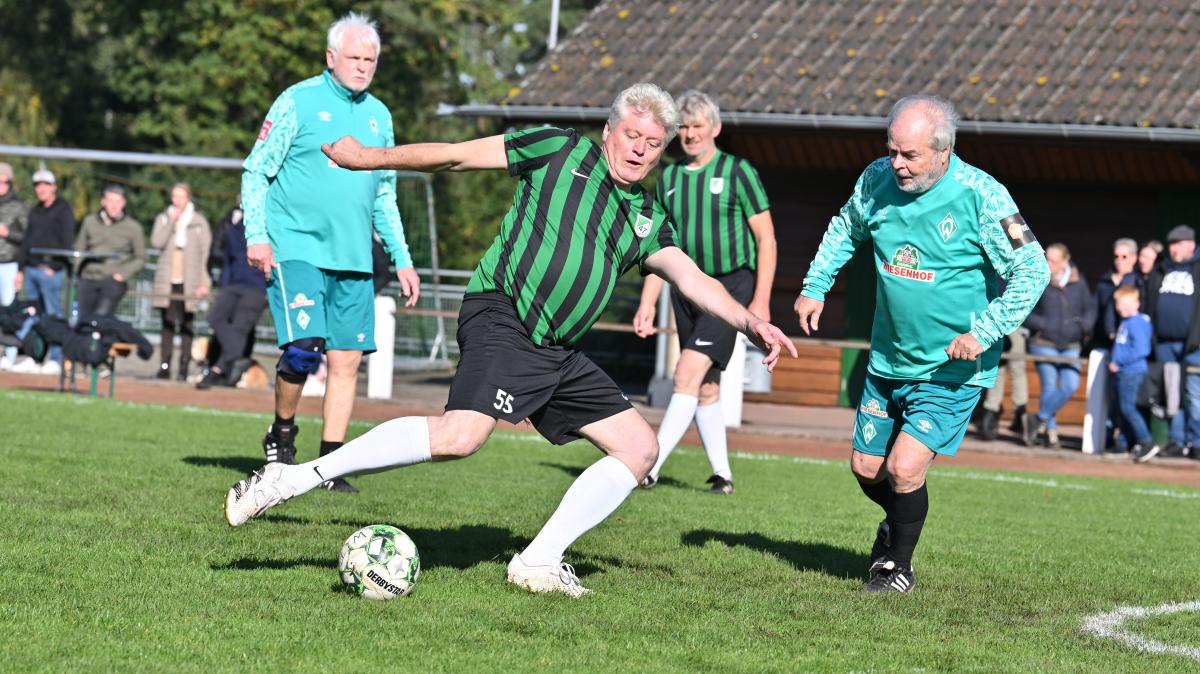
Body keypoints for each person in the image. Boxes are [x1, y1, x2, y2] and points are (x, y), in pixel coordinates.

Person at [224, 82, 797, 598]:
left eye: (654, 141)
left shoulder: (645, 215)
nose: (641, 148)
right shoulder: (556, 148)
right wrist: (367, 158)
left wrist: (752, 321)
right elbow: (454, 157)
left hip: (556, 350)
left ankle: (539, 560)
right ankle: (292, 478)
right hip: (503, 313)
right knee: (462, 436)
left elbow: (693, 279)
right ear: (609, 131)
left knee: (639, 450)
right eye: (632, 134)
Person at [794, 95, 1049, 593]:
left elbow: (1032, 269)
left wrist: (983, 331)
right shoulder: (876, 179)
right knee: (867, 469)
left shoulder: (982, 195)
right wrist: (814, 285)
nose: (898, 164)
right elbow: (846, 227)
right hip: (889, 358)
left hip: (950, 367)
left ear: (944, 152)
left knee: (904, 466)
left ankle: (896, 566)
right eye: (892, 151)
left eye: (909, 155)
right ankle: (897, 522)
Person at [239, 12, 420, 494]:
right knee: (304, 349)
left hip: (355, 257)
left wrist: (402, 258)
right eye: (355, 57)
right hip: (294, 247)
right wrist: (257, 235)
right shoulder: (297, 101)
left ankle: (329, 466)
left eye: (371, 59)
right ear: (331, 58)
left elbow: (385, 194)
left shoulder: (380, 116)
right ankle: (282, 432)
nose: (363, 66)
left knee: (345, 361)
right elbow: (255, 171)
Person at [631, 90, 776, 494]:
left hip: (729, 287)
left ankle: (649, 465)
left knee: (686, 372)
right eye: (685, 127)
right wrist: (647, 303)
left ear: (716, 128)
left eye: (698, 126)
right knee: (706, 384)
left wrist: (760, 301)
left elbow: (766, 239)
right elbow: (658, 247)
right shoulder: (671, 178)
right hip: (686, 288)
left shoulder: (738, 171)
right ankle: (723, 475)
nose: (691, 134)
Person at [1021, 243, 1096, 447]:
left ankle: (1038, 418)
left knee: (1070, 385)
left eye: (1053, 260)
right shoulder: (1039, 279)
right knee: (1048, 385)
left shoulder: (1078, 282)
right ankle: (1051, 433)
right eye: (1047, 258)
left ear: (1065, 262)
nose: (1048, 263)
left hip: (1071, 344)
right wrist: (1042, 325)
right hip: (1043, 341)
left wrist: (1084, 327)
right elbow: (1024, 308)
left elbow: (1090, 308)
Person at [1142, 224, 1200, 457]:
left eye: (1179, 244)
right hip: (1165, 343)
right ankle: (1175, 440)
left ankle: (1196, 442)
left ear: (1191, 245)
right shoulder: (1161, 269)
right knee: (1171, 392)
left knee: (1194, 393)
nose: (1174, 249)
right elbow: (1149, 302)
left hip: (1194, 344)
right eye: (1172, 245)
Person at [197, 202, 267, 389]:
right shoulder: (236, 225)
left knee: (239, 328)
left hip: (257, 286)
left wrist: (270, 287)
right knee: (214, 318)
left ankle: (218, 370)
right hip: (233, 284)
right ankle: (236, 358)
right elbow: (228, 258)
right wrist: (224, 285)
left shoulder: (272, 223)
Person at [150, 182, 212, 381]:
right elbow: (156, 242)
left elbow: (205, 254)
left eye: (181, 197)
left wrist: (204, 282)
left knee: (187, 324)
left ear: (188, 198)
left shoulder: (199, 222)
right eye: (174, 196)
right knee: (167, 324)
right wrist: (170, 223)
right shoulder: (163, 218)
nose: (177, 201)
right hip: (167, 280)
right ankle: (164, 365)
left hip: (190, 280)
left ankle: (184, 366)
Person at [17, 168, 75, 374]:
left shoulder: (63, 210)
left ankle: (56, 359)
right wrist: (20, 268)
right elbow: (26, 241)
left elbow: (67, 242)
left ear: (54, 187)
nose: (41, 189)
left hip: (50, 272)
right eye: (38, 185)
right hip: (32, 269)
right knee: (33, 315)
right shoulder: (35, 211)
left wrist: (55, 266)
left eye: (45, 185)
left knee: (53, 316)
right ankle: (35, 355)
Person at [74, 185, 145, 318]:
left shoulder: (133, 228)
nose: (114, 206)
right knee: (83, 320)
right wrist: (79, 272)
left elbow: (140, 258)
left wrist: (123, 274)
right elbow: (80, 248)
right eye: (110, 201)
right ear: (103, 201)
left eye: (117, 201)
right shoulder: (90, 221)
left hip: (112, 280)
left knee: (101, 318)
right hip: (88, 278)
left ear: (123, 203)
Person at [1107, 286, 1157, 461]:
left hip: (1132, 372)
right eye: (1119, 304)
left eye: (1124, 304)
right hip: (1124, 371)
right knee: (1122, 408)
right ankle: (1121, 444)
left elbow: (1142, 349)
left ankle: (1146, 441)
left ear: (1136, 303)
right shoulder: (1126, 322)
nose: (1120, 308)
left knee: (1128, 408)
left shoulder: (1137, 322)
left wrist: (1118, 362)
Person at [976, 326, 1029, 441]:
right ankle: (992, 412)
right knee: (1001, 370)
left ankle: (1018, 413)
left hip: (1011, 326)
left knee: (1014, 371)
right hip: (997, 326)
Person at [0, 162, 28, 370]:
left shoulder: (19, 207)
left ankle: (9, 356)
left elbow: (27, 238)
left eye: (4, 181)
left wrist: (8, 233)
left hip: (9, 264)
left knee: (9, 311)